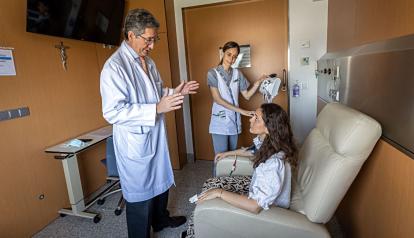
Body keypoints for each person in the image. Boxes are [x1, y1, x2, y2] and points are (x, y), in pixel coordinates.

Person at [100, 9, 199, 238]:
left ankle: (160, 220)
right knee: (141, 194)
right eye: (149, 39)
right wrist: (155, 109)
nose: (153, 45)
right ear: (132, 35)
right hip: (136, 141)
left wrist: (176, 91)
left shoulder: (148, 61)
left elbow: (155, 92)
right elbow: (112, 112)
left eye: (155, 39)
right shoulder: (114, 67)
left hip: (154, 135)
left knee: (160, 182)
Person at [182, 103, 298, 238]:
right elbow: (253, 151)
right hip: (257, 189)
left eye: (256, 118)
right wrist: (227, 154)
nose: (250, 119)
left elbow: (255, 206)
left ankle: (195, 232)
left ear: (268, 127)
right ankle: (197, 227)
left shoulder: (273, 164)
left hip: (266, 209)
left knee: (214, 190)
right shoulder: (271, 142)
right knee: (212, 183)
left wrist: (220, 193)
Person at [208, 41, 267, 164]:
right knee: (220, 158)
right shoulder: (213, 73)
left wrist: (257, 83)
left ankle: (230, 182)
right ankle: (218, 183)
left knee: (231, 157)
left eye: (235, 56)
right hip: (220, 122)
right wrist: (242, 111)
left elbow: (246, 96)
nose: (231, 59)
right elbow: (217, 99)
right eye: (229, 54)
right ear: (223, 53)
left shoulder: (237, 73)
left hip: (234, 122)